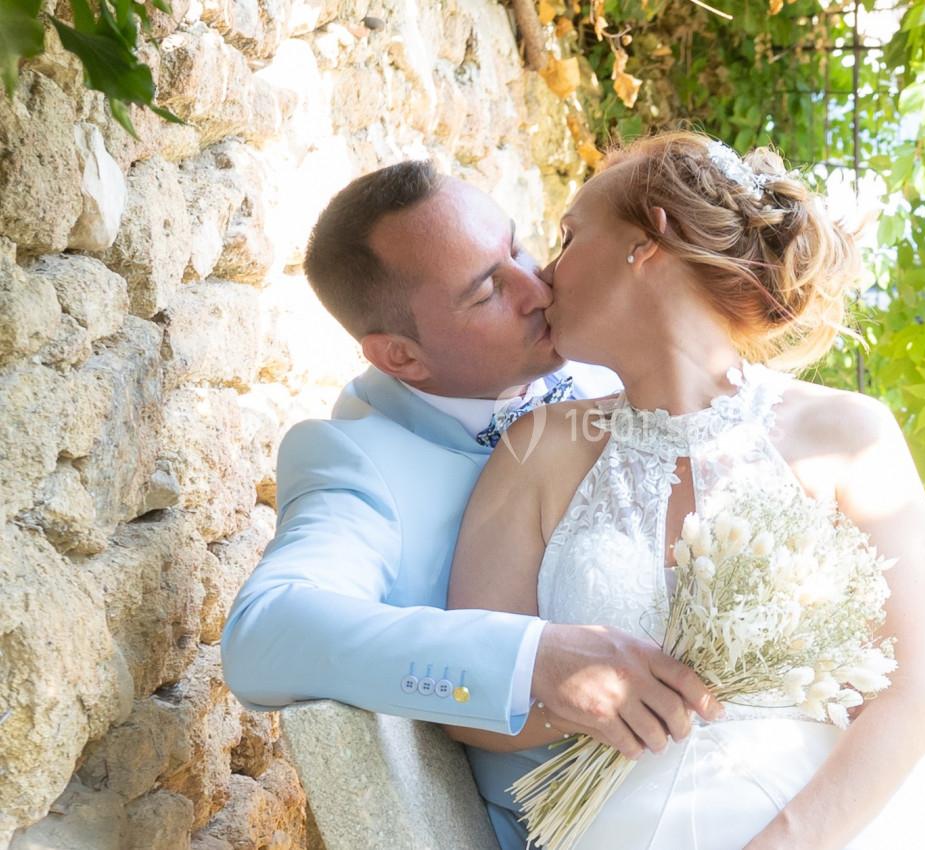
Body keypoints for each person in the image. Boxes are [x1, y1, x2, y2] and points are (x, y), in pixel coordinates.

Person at [446, 131, 925, 850]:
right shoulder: (535, 449)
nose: (544, 274)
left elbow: (910, 697)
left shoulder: (849, 436)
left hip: (828, 823)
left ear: (647, 242)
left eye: (569, 237)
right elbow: (469, 701)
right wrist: (576, 702)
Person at [217, 162, 724, 850]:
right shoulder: (358, 462)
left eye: (516, 247)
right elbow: (267, 633)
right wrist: (534, 660)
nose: (536, 284)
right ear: (401, 355)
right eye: (488, 289)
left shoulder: (616, 363)